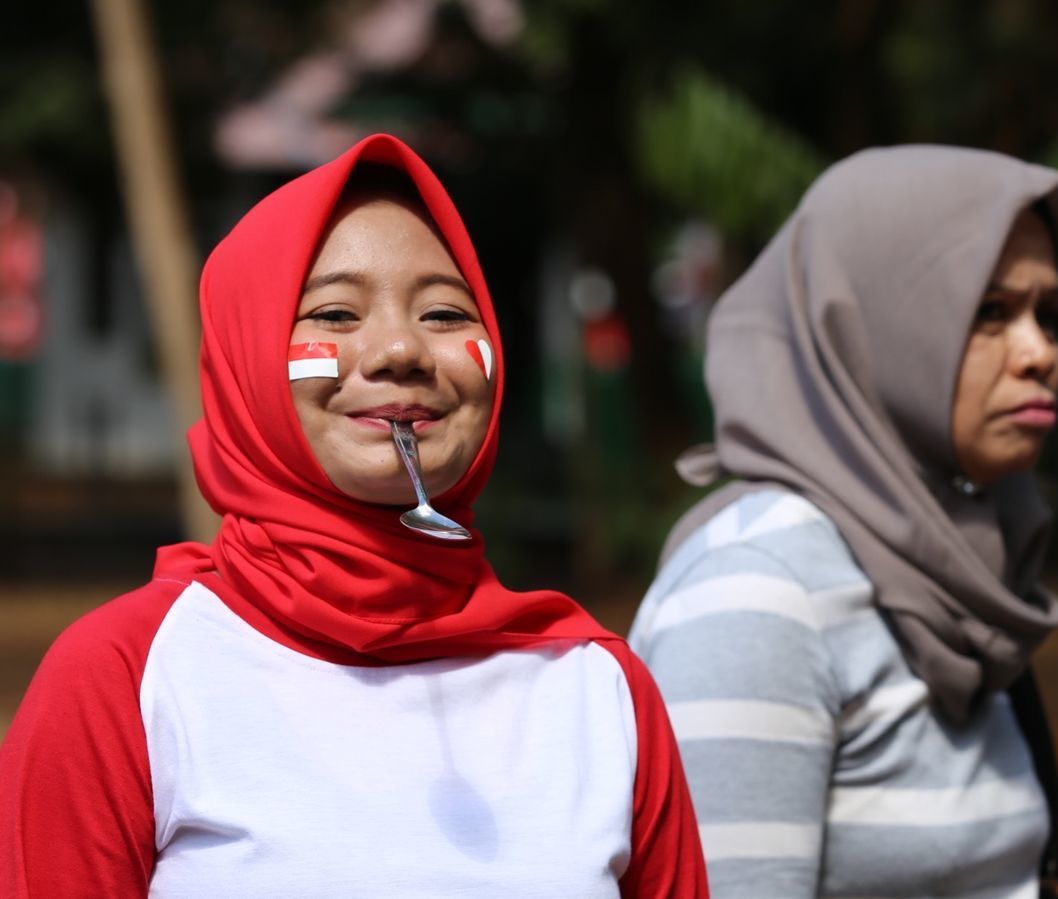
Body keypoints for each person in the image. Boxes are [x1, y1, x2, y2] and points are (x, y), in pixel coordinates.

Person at [0, 133, 706, 897]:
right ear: (246, 359)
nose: (401, 348)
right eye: (335, 312)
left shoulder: (600, 690)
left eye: (443, 313)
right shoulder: (125, 679)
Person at [628, 146, 1058, 898]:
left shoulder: (962, 555)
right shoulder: (759, 590)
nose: (1040, 352)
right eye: (989, 311)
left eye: (1049, 315)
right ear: (869, 323)